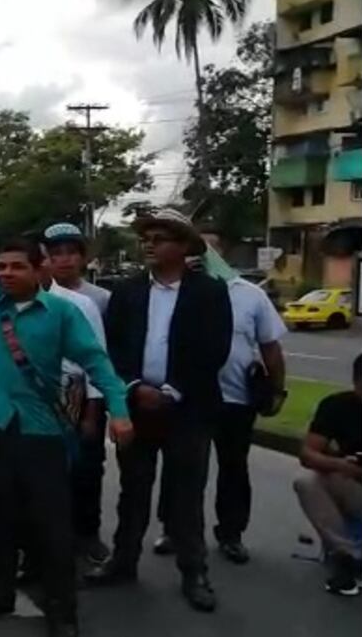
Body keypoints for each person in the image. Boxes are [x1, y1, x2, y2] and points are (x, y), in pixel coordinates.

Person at [0, 170, 132, 637]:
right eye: (0, 267)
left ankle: (63, 611)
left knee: (51, 527)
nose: (4, 274)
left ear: (39, 270)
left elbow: (98, 364)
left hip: (42, 432)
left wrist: (118, 411)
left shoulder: (63, 313)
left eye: (16, 267)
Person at [87, 208, 233, 614]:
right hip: (137, 405)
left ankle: (194, 572)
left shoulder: (208, 291)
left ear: (184, 247)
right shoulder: (128, 290)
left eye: (160, 237)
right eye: (146, 237)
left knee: (186, 495)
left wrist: (172, 391)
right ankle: (123, 560)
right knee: (133, 490)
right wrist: (134, 387)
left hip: (189, 410)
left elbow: (214, 349)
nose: (149, 244)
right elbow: (112, 348)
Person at [154, 234, 288, 565]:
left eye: (210, 246)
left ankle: (231, 533)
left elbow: (270, 346)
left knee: (233, 467)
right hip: (188, 397)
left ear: (220, 252)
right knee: (181, 468)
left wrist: (276, 389)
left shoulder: (250, 296)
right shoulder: (173, 291)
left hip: (235, 398)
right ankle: (174, 529)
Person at [38, 233, 113, 565]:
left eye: (71, 253)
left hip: (81, 401)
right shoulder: (12, 301)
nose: (63, 260)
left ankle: (87, 536)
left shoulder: (92, 301)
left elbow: (98, 360)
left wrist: (93, 413)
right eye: (56, 254)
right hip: (38, 403)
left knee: (85, 471)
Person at [294, 354, 362, 595]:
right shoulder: (337, 406)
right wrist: (342, 465)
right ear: (357, 383)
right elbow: (306, 454)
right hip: (353, 484)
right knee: (308, 483)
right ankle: (350, 556)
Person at [43, 223, 110, 315]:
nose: (65, 259)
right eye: (57, 253)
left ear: (83, 257)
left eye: (71, 252)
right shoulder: (35, 297)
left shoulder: (103, 298)